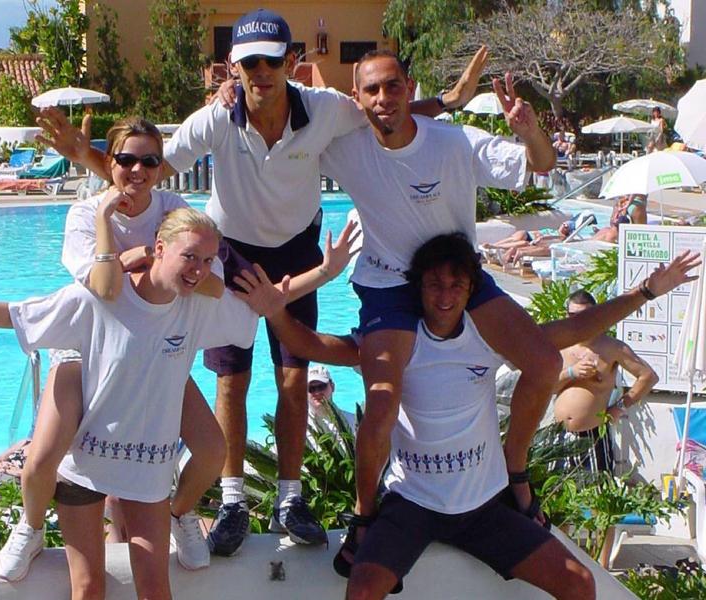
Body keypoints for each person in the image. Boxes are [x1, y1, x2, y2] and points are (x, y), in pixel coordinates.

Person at [35, 9, 487, 555]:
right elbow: (154, 167)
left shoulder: (323, 109)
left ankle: (290, 498)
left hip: (297, 250)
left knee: (294, 376)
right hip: (233, 254)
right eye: (250, 61)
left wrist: (449, 102)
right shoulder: (215, 118)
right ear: (234, 65)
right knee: (233, 381)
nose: (261, 71)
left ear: (290, 62)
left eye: (272, 60)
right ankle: (231, 500)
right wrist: (86, 155)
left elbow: (385, 109)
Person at [241, 232, 699, 599]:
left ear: (471, 289)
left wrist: (646, 291)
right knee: (361, 590)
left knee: (579, 584)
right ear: (418, 287)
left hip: (484, 507)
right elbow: (310, 346)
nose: (445, 296)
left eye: (456, 285)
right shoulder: (395, 343)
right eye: (435, 284)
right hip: (412, 505)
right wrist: (275, 314)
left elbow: (577, 328)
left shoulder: (487, 337)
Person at [0, 208, 285, 600]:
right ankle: (30, 527)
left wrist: (324, 273)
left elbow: (266, 305)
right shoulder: (102, 298)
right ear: (158, 248)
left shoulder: (198, 307)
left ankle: (179, 516)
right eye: (189, 256)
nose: (199, 270)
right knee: (88, 589)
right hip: (85, 470)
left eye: (208, 261)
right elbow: (19, 314)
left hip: (148, 474)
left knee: (157, 590)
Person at [317, 49, 562, 530]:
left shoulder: (454, 143)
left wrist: (530, 132)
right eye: (372, 90)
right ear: (356, 99)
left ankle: (514, 468)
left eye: (393, 86)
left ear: (410, 88)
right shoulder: (342, 145)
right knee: (382, 405)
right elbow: (276, 123)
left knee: (545, 363)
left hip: (455, 277)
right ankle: (366, 516)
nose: (384, 97)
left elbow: (543, 164)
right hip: (389, 284)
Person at [554, 289, 659, 473]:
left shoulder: (611, 348)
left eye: (585, 315)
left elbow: (648, 376)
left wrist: (621, 406)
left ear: (596, 315)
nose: (578, 320)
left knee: (595, 494)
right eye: (573, 315)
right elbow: (546, 387)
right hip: (558, 435)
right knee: (553, 496)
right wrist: (571, 373)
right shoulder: (560, 345)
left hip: (592, 435)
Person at [307, 364, 356, 436]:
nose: (317, 393)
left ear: (332, 386)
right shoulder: (298, 426)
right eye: (311, 388)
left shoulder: (353, 422)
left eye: (321, 386)